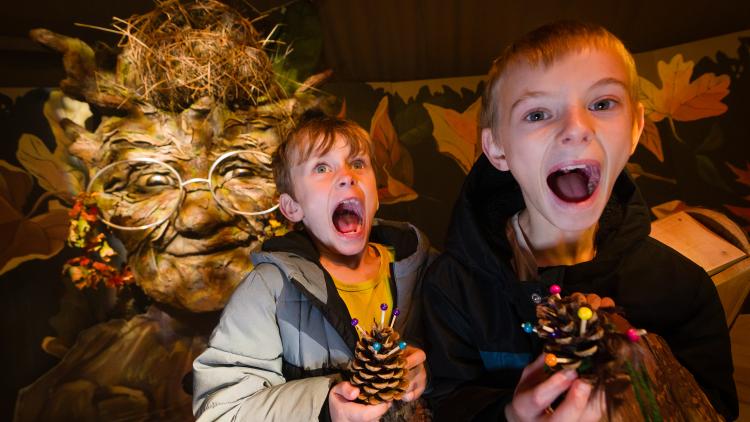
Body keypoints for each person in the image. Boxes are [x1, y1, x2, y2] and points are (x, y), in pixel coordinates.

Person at [422, 21, 738, 421]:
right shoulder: (452, 286)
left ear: (636, 128)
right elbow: (445, 405)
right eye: (537, 113)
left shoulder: (683, 290)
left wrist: (640, 368)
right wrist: (509, 416)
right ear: (497, 149)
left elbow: (714, 411)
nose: (575, 128)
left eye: (602, 104)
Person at [192, 113, 434, 421]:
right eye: (321, 167)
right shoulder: (269, 291)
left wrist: (424, 375)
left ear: (376, 195)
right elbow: (221, 410)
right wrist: (323, 406)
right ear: (293, 207)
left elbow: (462, 368)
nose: (347, 176)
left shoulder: (419, 264)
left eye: (358, 163)